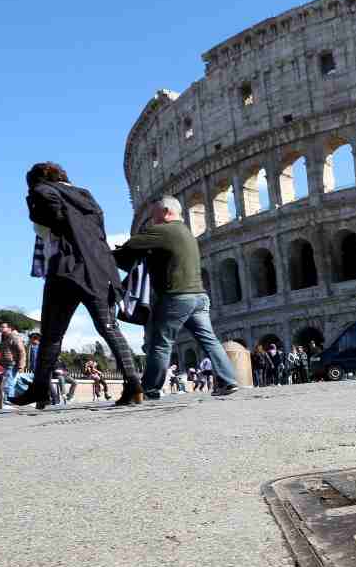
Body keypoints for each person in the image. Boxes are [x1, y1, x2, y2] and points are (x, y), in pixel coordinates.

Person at [13, 162, 143, 409]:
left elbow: (51, 218)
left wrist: (34, 200)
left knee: (52, 334)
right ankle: (134, 384)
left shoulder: (43, 191)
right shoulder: (87, 197)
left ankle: (39, 390)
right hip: (98, 268)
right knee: (109, 327)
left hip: (66, 268)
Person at [113, 196, 241, 399]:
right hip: (199, 296)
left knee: (161, 343)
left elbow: (129, 248)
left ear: (166, 212)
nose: (151, 219)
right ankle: (228, 380)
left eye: (153, 214)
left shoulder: (163, 231)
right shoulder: (186, 233)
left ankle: (149, 389)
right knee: (209, 340)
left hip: (176, 297)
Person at [0, 320, 28, 401]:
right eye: (0, 327)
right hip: (6, 364)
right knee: (15, 383)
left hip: (12, 364)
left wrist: (21, 365)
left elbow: (22, 351)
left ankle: (8, 401)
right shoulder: (5, 338)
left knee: (9, 383)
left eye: (3, 327)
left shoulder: (14, 337)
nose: (1, 329)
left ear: (9, 328)